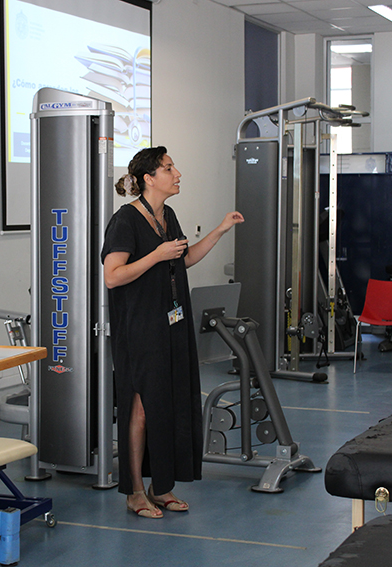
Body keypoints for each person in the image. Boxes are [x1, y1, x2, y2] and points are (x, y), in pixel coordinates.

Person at [100, 146, 244, 519]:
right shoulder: (125, 220)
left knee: (169, 403)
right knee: (141, 407)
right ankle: (135, 492)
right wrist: (156, 256)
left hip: (171, 324)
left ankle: (160, 486)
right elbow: (112, 276)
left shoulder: (168, 216)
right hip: (140, 329)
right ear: (149, 178)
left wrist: (221, 229)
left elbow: (185, 258)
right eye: (168, 168)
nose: (177, 173)